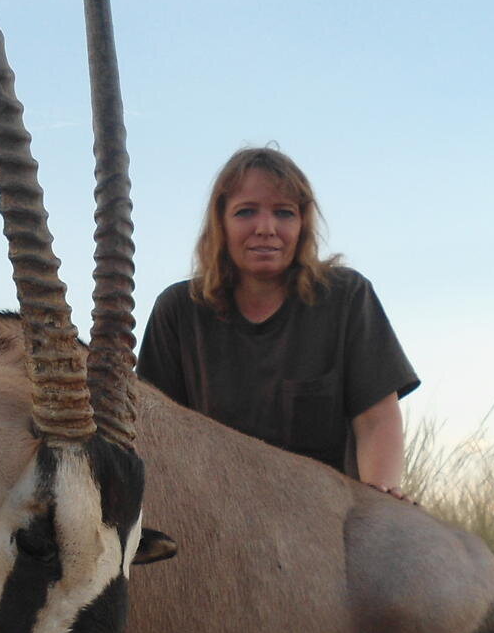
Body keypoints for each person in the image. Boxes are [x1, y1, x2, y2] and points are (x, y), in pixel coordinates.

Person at [136, 146, 418, 497]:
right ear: (220, 223)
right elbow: (153, 433)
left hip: (325, 515)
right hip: (212, 512)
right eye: (246, 212)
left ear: (302, 225)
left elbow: (376, 419)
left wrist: (381, 494)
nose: (266, 228)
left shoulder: (347, 296)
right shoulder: (178, 310)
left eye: (284, 213)